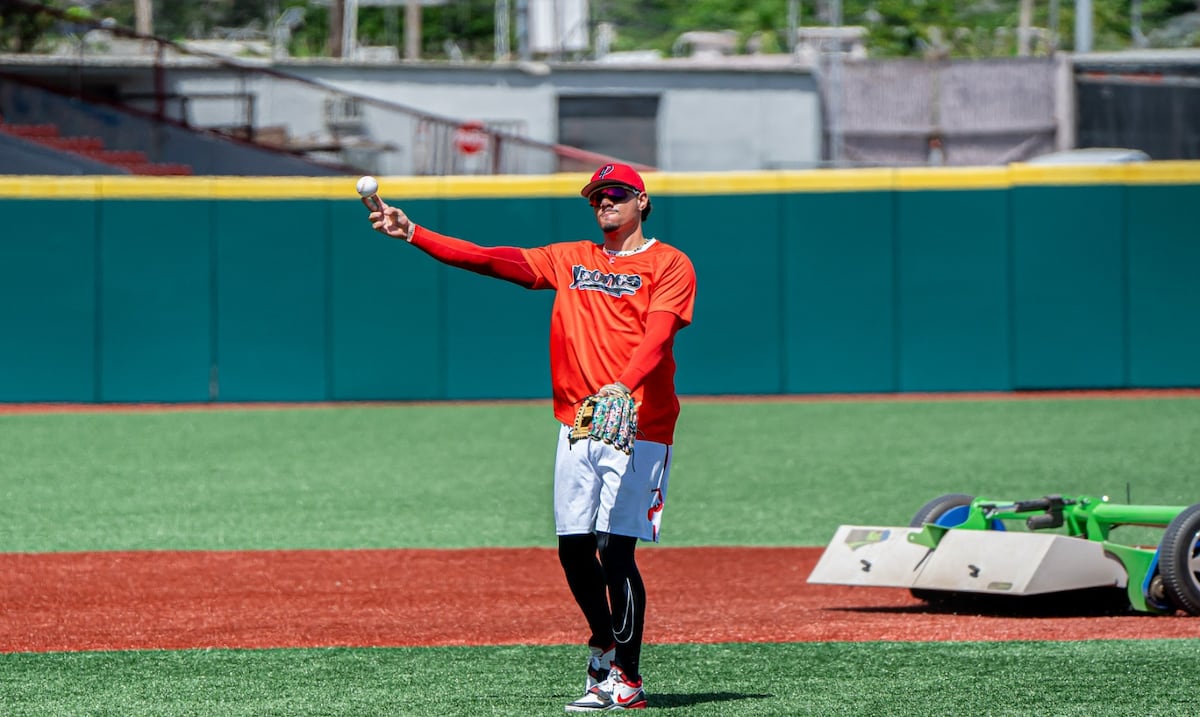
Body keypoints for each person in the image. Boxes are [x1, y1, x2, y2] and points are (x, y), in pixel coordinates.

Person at [365, 162, 697, 712]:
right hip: (579, 423)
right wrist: (415, 233)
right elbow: (490, 259)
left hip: (637, 423)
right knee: (573, 550)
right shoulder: (572, 259)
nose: (603, 202)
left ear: (642, 201)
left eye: (614, 194)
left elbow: (658, 336)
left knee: (616, 553)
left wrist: (622, 386)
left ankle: (628, 679)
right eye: (595, 196)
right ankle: (602, 643)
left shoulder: (669, 263)